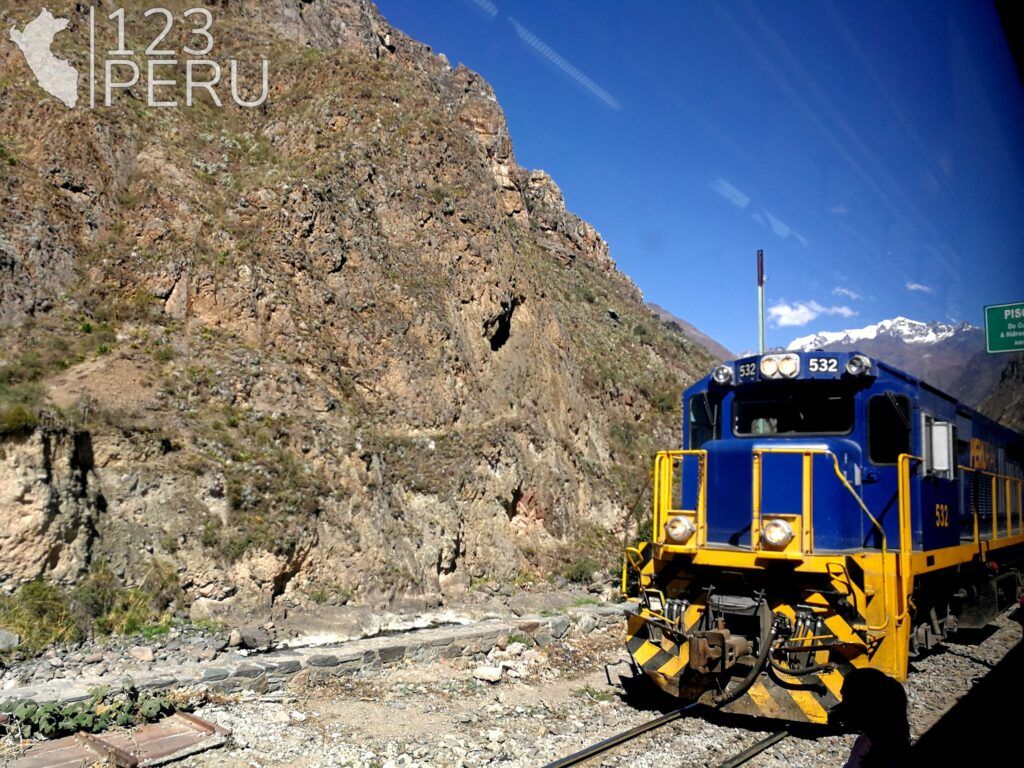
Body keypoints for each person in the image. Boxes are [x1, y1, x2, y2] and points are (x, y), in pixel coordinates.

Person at [828, 668, 911, 768]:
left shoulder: (889, 757)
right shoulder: (864, 741)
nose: (840, 709)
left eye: (846, 699)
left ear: (867, 706)